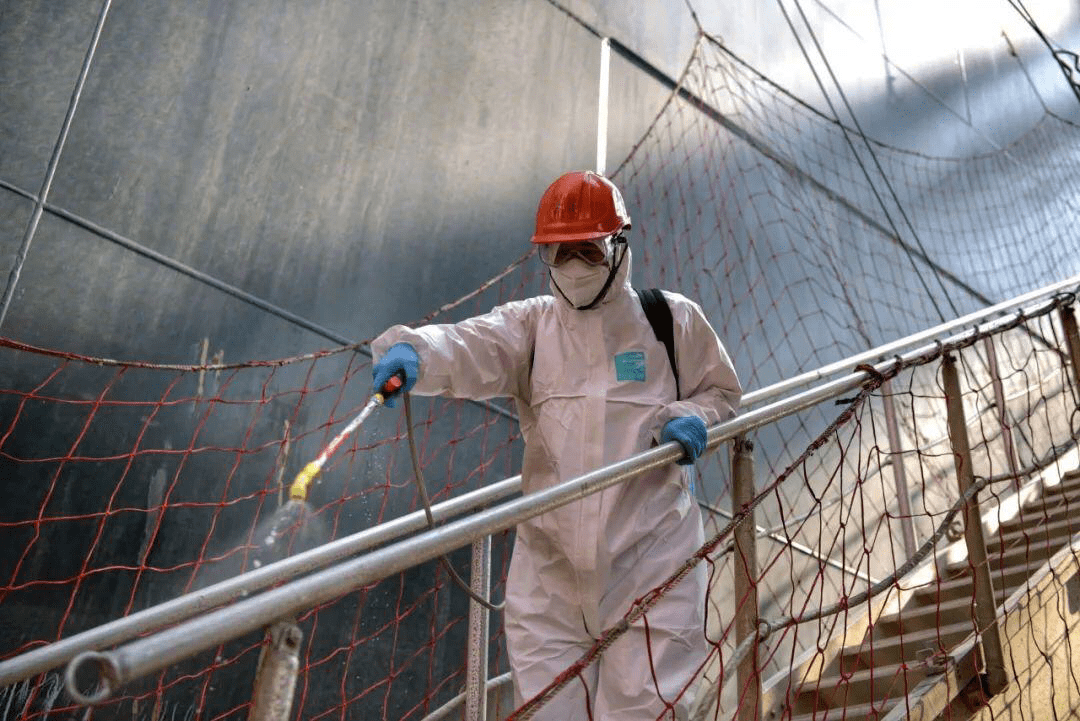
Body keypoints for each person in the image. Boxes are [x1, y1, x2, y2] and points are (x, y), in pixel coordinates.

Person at [371, 171, 741, 719]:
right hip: (550, 579)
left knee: (648, 711)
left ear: (619, 247)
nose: (574, 265)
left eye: (588, 250)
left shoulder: (670, 322)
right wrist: (417, 353)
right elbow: (470, 344)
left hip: (653, 563)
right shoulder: (533, 328)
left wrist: (690, 415)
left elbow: (722, 392)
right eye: (560, 252)